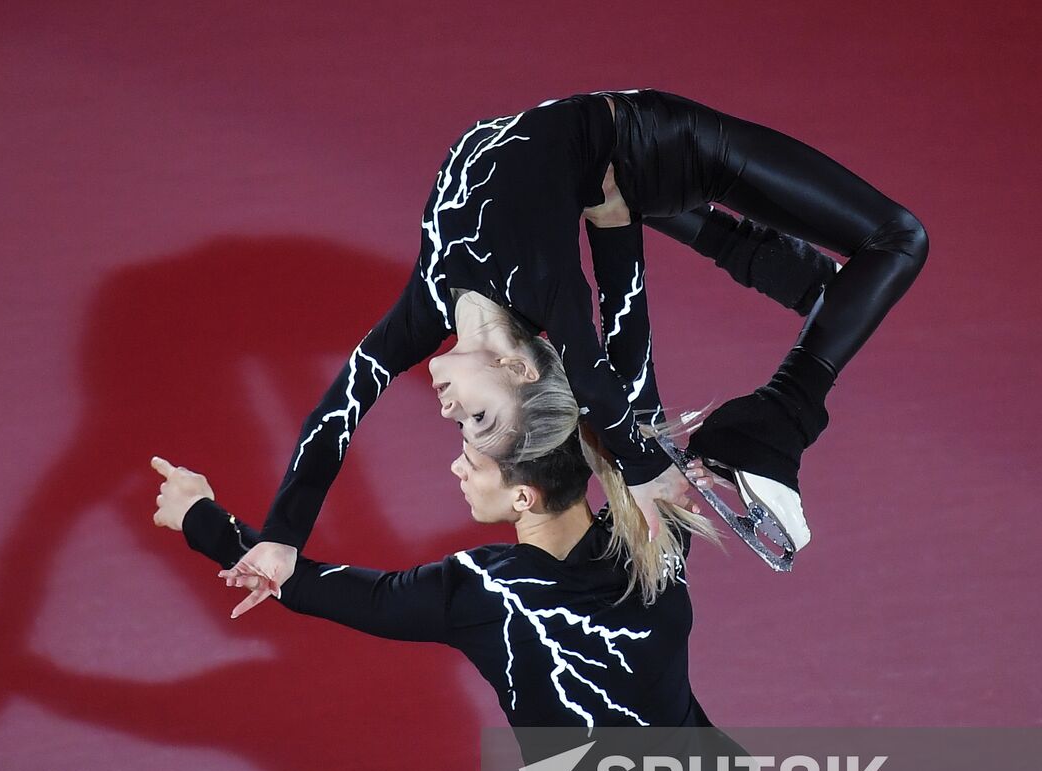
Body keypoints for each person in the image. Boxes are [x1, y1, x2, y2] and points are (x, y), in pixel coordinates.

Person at [231, 88, 926, 609]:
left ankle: (792, 283)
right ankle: (779, 416)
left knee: (828, 295)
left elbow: (333, 413)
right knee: (900, 240)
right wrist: (646, 464)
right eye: (477, 417)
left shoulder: (428, 306)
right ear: (513, 367)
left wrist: (283, 535)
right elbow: (601, 365)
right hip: (662, 146)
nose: (447, 411)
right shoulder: (540, 284)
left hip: (599, 169)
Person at [150, 422, 741, 771]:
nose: (456, 466)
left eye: (474, 461)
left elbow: (314, 586)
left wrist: (198, 516)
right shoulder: (651, 533)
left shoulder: (484, 589)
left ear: (524, 498)